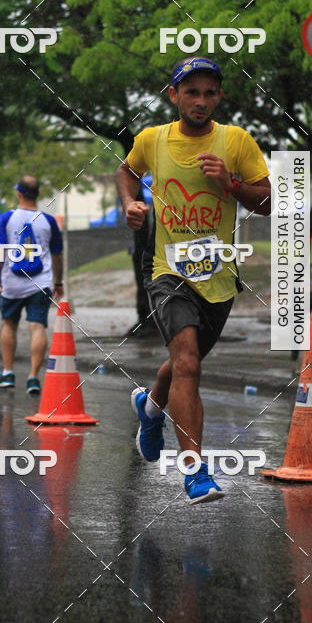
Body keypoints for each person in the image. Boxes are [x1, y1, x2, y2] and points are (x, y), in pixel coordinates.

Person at [116, 57, 271, 504]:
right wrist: (130, 204)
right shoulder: (152, 139)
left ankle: (150, 407)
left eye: (208, 93)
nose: (200, 101)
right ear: (174, 95)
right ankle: (195, 471)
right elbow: (126, 171)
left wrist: (232, 184)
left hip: (218, 276)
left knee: (186, 362)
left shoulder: (236, 140)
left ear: (218, 96)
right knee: (187, 362)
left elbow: (266, 202)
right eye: (191, 92)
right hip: (167, 270)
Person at [0, 176, 64, 394]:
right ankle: (33, 378)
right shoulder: (48, 221)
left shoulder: (7, 218)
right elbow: (57, 255)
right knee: (37, 326)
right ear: (37, 195)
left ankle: (8, 373)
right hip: (41, 283)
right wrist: (58, 282)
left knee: (9, 324)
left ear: (19, 194)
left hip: (12, 283)